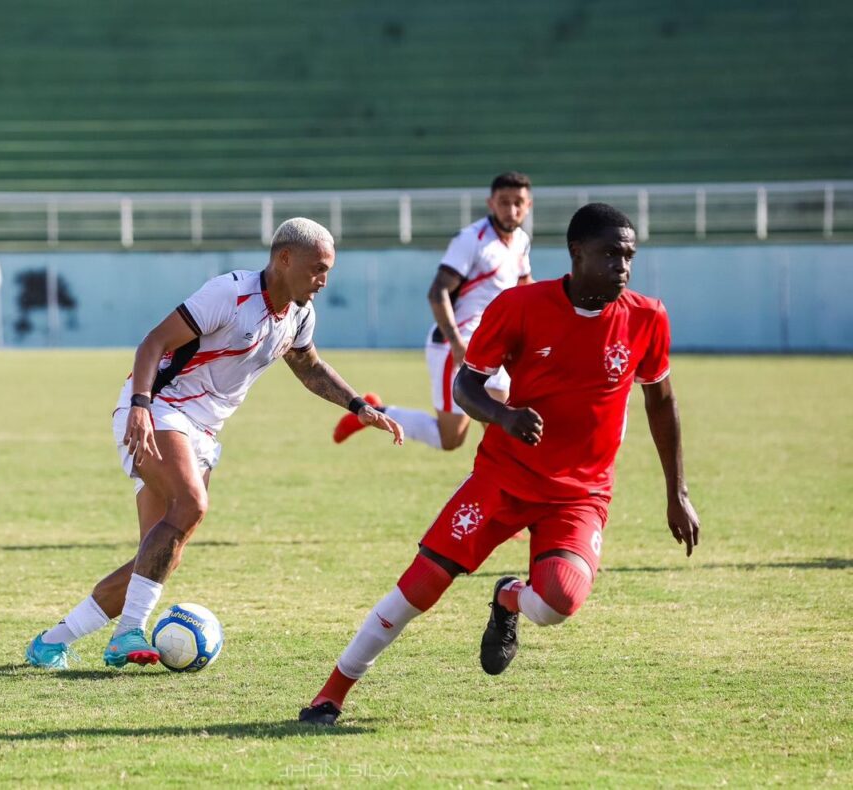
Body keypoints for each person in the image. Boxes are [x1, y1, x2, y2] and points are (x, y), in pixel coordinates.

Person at [299, 203, 701, 726]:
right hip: (503, 478)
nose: (622, 268)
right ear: (577, 254)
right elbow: (466, 384)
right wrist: (502, 416)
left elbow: (661, 403)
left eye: (628, 257)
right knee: (423, 583)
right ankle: (331, 693)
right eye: (610, 255)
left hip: (580, 494)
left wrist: (678, 492)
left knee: (558, 603)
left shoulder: (647, 318)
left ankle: (509, 597)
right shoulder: (519, 306)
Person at [25, 218, 404, 670]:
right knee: (191, 504)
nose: (323, 280)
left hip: (202, 431)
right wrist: (141, 406)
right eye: (317, 269)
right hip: (159, 409)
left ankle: (52, 641)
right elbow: (153, 343)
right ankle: (126, 634)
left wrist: (357, 405)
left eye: (328, 271)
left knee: (162, 554)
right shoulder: (230, 294)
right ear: (284, 259)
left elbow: (309, 367)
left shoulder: (300, 313)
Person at [333, 172, 533, 451]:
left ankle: (497, 488)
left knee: (501, 428)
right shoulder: (471, 240)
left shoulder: (521, 241)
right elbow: (437, 292)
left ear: (529, 205)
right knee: (450, 439)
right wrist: (457, 343)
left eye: (518, 202)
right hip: (455, 346)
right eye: (504, 202)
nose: (511, 210)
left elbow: (525, 287)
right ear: (490, 203)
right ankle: (376, 412)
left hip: (492, 345)